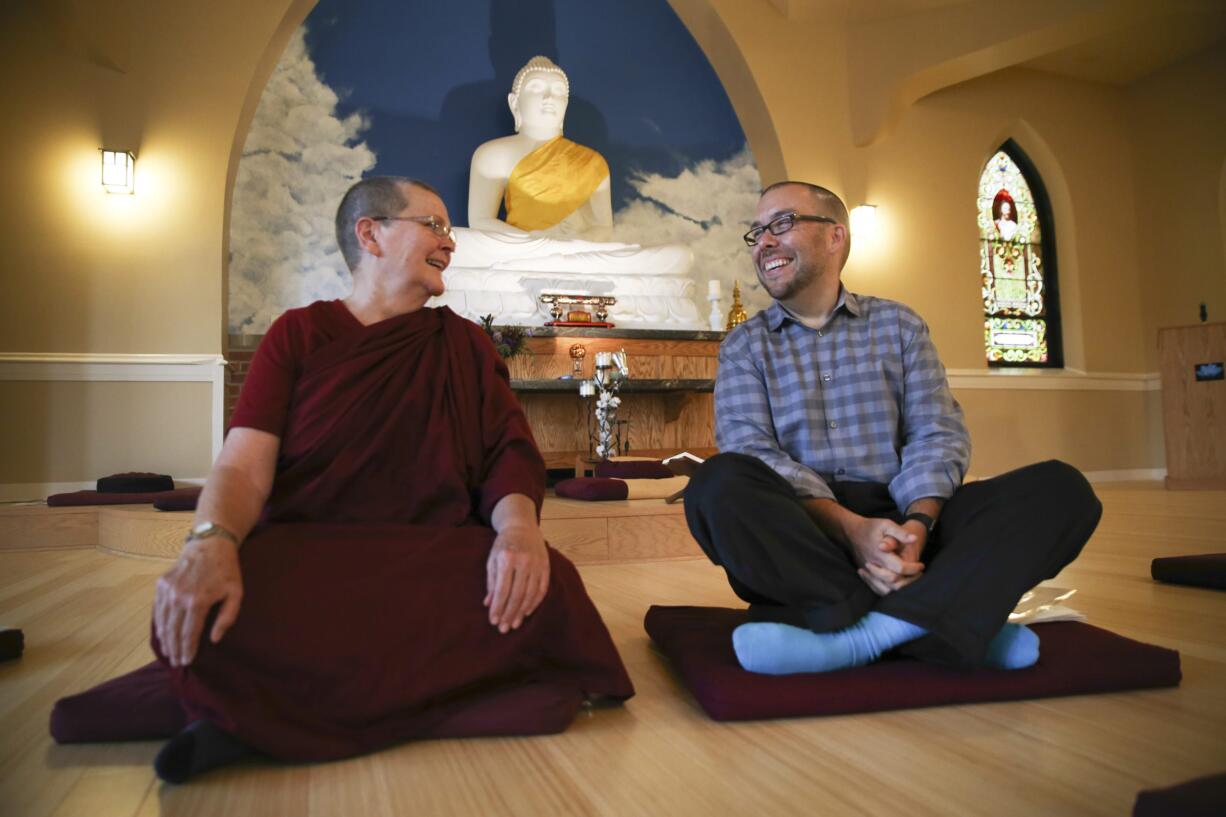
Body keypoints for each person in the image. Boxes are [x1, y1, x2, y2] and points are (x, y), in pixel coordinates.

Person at [51, 176, 634, 781]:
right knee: (212, 601)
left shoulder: (463, 345)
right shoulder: (298, 336)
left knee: (549, 584)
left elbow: (508, 454)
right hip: (313, 554)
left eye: (449, 230)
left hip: (430, 553)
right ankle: (437, 699)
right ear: (371, 235)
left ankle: (256, 719)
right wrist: (212, 543)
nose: (450, 242)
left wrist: (517, 534)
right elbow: (242, 470)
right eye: (433, 225)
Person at [683, 181, 1102, 675]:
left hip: (904, 520)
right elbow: (753, 452)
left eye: (782, 223)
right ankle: (941, 619)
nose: (764, 243)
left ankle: (858, 635)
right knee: (717, 484)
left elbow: (937, 434)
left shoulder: (899, 326)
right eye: (757, 233)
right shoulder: (744, 347)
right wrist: (852, 529)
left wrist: (917, 527)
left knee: (1062, 490)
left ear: (835, 236)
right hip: (804, 533)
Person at [438, 56, 700, 328]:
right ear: (515, 103)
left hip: (578, 252)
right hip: (523, 250)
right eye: (537, 89)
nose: (549, 97)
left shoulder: (592, 161)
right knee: (458, 243)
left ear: (566, 104)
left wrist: (573, 242)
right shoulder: (492, 153)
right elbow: (481, 222)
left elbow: (603, 227)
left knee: (679, 256)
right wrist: (538, 241)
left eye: (559, 93)